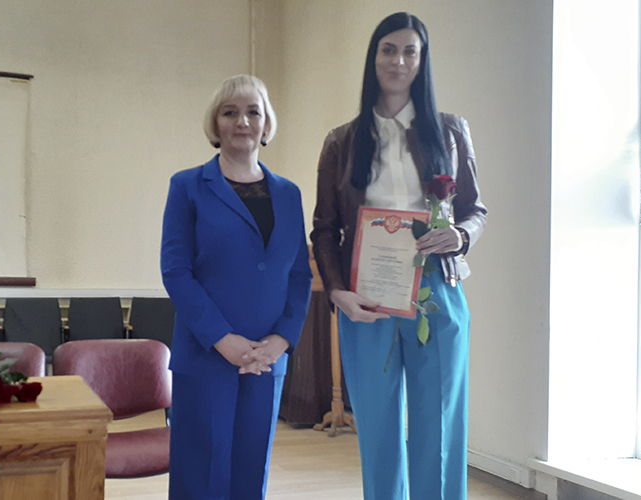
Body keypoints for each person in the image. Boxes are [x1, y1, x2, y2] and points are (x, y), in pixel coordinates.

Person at [310, 12, 488, 500]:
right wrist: (337, 292)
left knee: (439, 424)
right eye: (388, 50)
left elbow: (475, 210)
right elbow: (324, 228)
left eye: (411, 51)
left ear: (422, 60)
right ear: (373, 58)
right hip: (365, 295)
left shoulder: (450, 131)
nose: (399, 61)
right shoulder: (342, 141)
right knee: (378, 427)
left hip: (438, 288)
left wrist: (461, 235)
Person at [161, 74, 312, 500]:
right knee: (200, 477)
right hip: (206, 355)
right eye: (230, 112)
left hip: (266, 359)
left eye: (253, 112)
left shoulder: (289, 194)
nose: (242, 121)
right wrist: (222, 339)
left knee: (250, 473)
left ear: (266, 124)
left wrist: (282, 340)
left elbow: (299, 274)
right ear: (216, 124)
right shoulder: (187, 186)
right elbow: (176, 271)